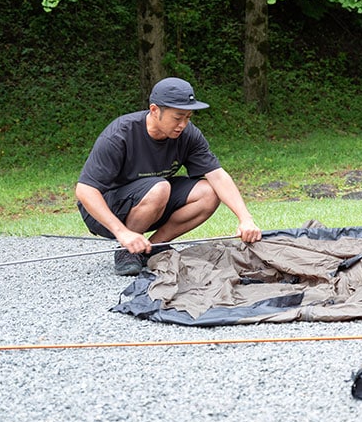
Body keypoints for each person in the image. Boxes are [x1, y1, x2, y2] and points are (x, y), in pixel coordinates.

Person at [76, 77, 262, 276]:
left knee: (209, 192)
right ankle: (127, 251)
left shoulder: (188, 135)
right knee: (160, 188)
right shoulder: (120, 135)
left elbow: (217, 176)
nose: (183, 124)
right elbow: (85, 190)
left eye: (188, 117)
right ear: (155, 110)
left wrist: (245, 219)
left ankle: (153, 247)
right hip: (107, 209)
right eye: (177, 117)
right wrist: (122, 233)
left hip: (153, 200)